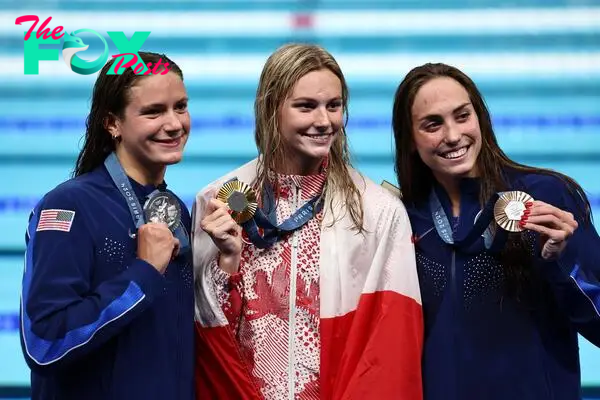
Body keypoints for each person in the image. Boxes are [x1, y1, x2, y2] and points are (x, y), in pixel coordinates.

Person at [192, 43, 423, 399]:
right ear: (271, 108)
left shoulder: (378, 211)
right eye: (306, 106)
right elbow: (208, 339)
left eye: (334, 106)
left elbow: (389, 344)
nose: (324, 121)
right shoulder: (218, 201)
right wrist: (226, 262)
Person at [391, 62, 600, 400]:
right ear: (411, 139)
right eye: (433, 124)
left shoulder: (543, 197)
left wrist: (564, 263)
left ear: (480, 119)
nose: (454, 135)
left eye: (462, 116)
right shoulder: (404, 220)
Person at [19, 52, 194, 400]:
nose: (174, 123)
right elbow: (45, 341)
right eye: (153, 111)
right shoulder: (70, 206)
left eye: (181, 106)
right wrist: (143, 273)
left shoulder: (174, 212)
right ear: (112, 123)